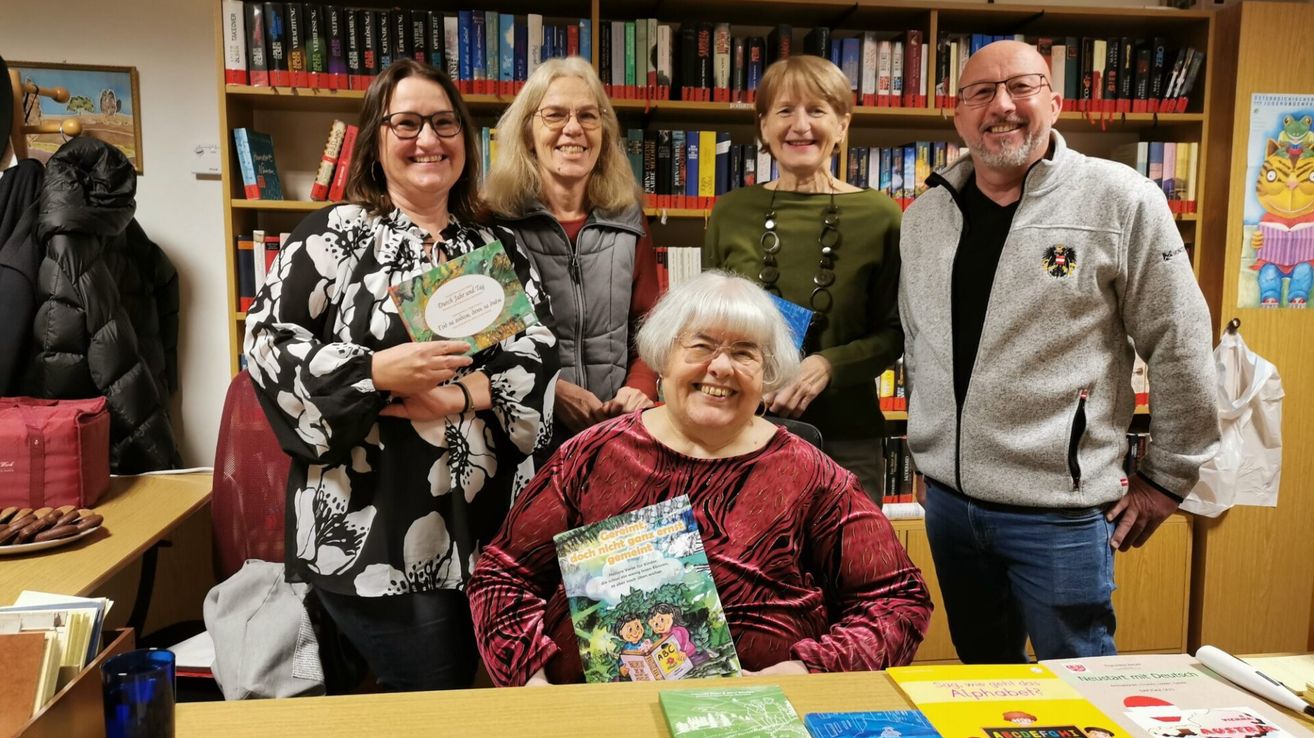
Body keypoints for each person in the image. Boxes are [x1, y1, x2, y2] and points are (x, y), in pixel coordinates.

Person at [897, 40, 1219, 663]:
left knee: (1079, 682)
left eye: (1022, 86)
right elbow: (918, 342)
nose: (1002, 107)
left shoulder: (1121, 201)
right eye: (981, 93)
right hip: (950, 508)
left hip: (1060, 513)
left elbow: (1179, 341)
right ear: (958, 115)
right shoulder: (924, 215)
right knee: (984, 684)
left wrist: (1168, 478)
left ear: (1055, 100)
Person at [243, 58, 559, 691]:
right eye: (407, 123)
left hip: (494, 525)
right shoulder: (332, 238)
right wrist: (375, 371)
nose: (428, 140)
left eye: (444, 124)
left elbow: (539, 349)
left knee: (494, 698)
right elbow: (265, 344)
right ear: (376, 138)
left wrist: (463, 393)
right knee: (422, 702)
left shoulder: (494, 245)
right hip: (374, 531)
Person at [466, 271, 931, 686]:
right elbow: (504, 574)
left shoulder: (810, 473)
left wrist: (807, 669)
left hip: (757, 710)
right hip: (594, 711)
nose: (721, 367)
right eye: (702, 346)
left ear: (767, 374)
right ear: (664, 358)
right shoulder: (592, 455)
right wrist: (532, 681)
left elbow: (897, 598)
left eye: (745, 353)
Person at [703, 54, 903, 497]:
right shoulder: (730, 212)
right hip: (744, 433)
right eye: (785, 110)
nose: (800, 125)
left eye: (817, 110)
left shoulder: (882, 216)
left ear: (843, 124)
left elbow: (894, 332)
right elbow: (710, 325)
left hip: (847, 441)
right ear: (762, 125)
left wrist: (827, 365)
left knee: (846, 565)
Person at [484, 56, 659, 449]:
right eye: (555, 115)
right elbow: (487, 347)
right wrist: (552, 389)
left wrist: (640, 386)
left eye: (588, 116)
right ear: (528, 132)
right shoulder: (493, 224)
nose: (573, 128)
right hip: (522, 437)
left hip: (614, 429)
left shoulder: (630, 221)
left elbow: (652, 327)